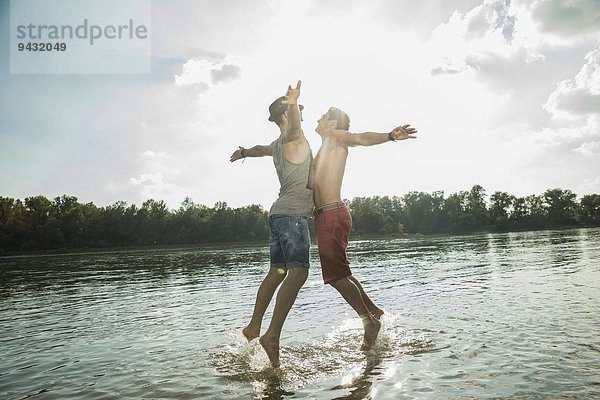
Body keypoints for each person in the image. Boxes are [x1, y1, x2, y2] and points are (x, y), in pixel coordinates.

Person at [301, 105, 417, 350]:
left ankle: (369, 322)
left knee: (335, 277)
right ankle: (374, 312)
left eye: (323, 116)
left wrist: (389, 136)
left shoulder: (336, 138)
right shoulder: (325, 146)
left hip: (332, 214)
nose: (318, 118)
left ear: (333, 124)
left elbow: (362, 138)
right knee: (342, 274)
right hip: (327, 216)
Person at [229, 81, 312, 368]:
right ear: (287, 116)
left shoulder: (278, 144)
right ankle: (271, 335)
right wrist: (293, 102)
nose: (301, 115)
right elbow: (295, 127)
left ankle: (254, 325)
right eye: (298, 111)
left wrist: (244, 152)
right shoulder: (292, 137)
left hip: (277, 215)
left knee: (277, 272)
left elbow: (259, 148)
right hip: (292, 216)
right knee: (298, 272)